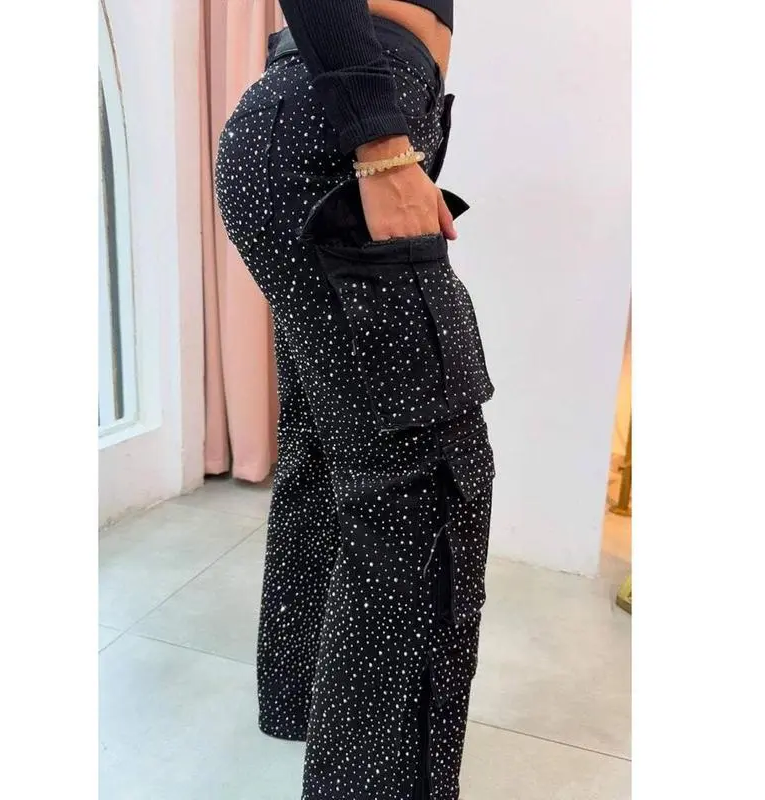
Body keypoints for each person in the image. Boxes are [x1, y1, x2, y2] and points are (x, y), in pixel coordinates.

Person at [215, 2, 496, 797]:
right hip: (343, 136)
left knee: (329, 445)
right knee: (425, 488)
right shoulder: (369, 136)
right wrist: (382, 146)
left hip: (311, 123)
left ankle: (301, 700)